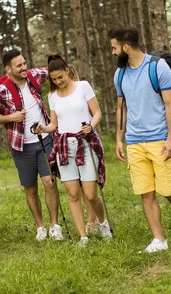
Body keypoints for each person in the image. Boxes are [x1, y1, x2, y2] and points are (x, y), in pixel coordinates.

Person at [109, 27, 171, 253]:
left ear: (126, 47)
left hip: (159, 139)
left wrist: (170, 138)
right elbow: (121, 107)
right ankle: (159, 240)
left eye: (115, 48)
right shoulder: (120, 74)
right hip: (134, 142)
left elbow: (170, 105)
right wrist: (119, 139)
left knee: (167, 190)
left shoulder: (158, 68)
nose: (113, 52)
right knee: (146, 192)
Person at [33, 54, 112, 247]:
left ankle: (102, 223)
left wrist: (91, 126)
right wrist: (43, 129)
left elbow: (97, 113)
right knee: (73, 194)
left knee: (91, 194)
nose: (58, 82)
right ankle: (83, 236)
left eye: (60, 77)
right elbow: (54, 124)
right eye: (54, 79)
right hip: (64, 147)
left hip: (85, 143)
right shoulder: (52, 96)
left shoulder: (83, 86)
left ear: (67, 70)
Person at [0, 49, 64, 241]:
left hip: (44, 140)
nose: (24, 68)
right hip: (21, 146)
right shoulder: (1, 90)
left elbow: (58, 72)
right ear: (8, 69)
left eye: (24, 63)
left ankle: (55, 225)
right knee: (30, 188)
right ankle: (41, 226)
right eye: (19, 65)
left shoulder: (34, 76)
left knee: (49, 182)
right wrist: (11, 117)